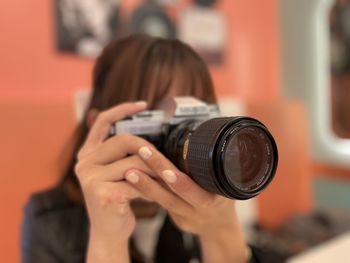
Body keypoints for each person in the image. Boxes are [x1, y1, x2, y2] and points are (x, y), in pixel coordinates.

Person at [21, 34, 281, 263]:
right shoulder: (48, 219)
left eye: (193, 120)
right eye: (155, 119)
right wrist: (107, 238)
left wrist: (222, 230)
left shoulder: (198, 199)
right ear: (101, 127)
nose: (183, 139)